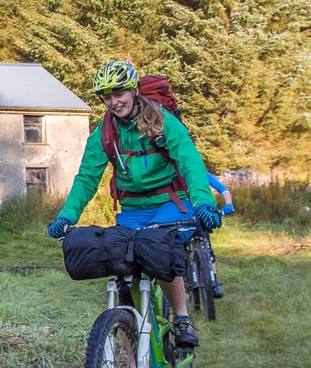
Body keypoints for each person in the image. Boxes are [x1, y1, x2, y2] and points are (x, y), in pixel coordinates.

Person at [48, 60, 222, 348]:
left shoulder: (163, 121)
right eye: (107, 96)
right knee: (124, 270)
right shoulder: (105, 132)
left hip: (169, 202)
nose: (114, 102)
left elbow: (190, 163)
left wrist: (203, 202)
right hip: (132, 209)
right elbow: (87, 178)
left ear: (134, 90)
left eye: (119, 93)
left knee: (161, 254)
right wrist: (66, 216)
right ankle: (134, 367)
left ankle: (181, 317)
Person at [206, 171, 235, 298]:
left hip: (203, 211)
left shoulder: (199, 171)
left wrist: (228, 204)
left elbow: (223, 189)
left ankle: (213, 281)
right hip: (182, 212)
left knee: (206, 246)